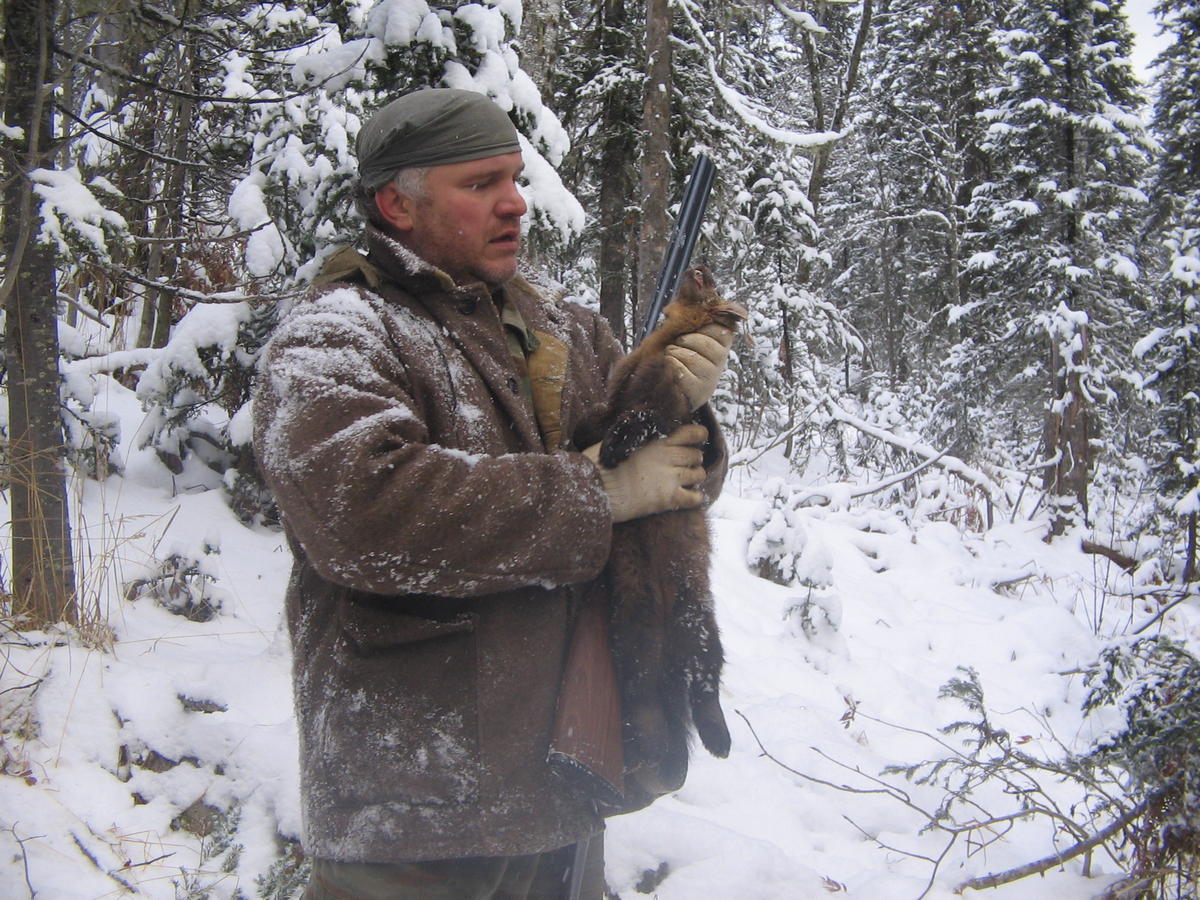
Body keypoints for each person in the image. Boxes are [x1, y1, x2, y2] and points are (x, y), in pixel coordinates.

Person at [252, 88, 735, 900]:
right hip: (418, 804)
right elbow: (366, 510)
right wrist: (597, 494)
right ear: (394, 205)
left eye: (514, 178)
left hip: (564, 778)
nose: (516, 204)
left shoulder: (565, 326)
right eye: (480, 184)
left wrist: (678, 404)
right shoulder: (334, 335)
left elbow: (674, 483)